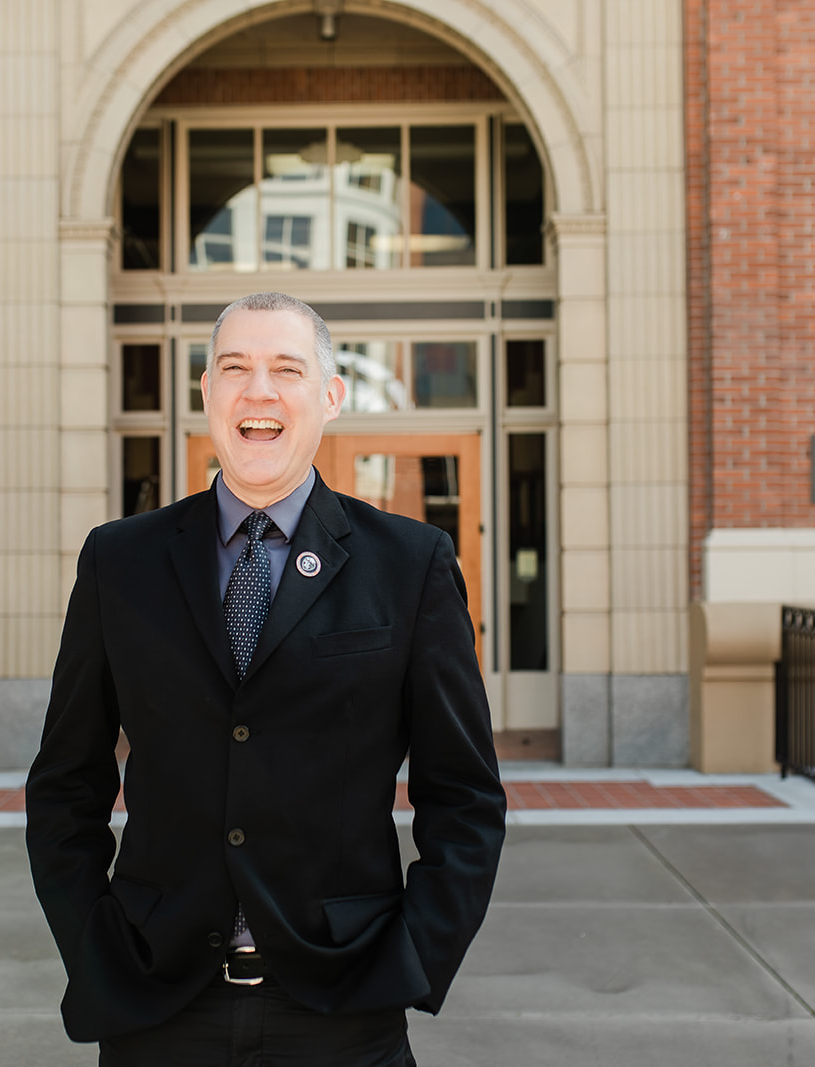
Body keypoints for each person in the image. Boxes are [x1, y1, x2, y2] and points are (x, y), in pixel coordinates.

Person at [25, 291, 506, 1066]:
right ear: (206, 393)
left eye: (287, 368)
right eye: (235, 368)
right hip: (159, 1006)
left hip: (344, 1008)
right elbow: (63, 784)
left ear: (330, 397)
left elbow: (466, 797)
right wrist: (93, 944)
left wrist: (411, 958)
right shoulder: (120, 561)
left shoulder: (410, 566)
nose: (259, 390)